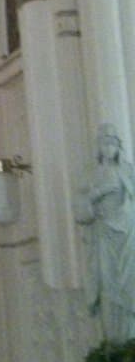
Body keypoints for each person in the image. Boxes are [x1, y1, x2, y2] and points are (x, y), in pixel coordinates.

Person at [77, 124, 135, 341]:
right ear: (98, 148)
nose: (109, 148)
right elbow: (80, 212)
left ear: (119, 147)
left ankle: (129, 341)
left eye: (113, 143)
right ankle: (113, 343)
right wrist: (97, 194)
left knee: (129, 285)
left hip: (129, 235)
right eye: (105, 143)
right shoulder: (91, 175)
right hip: (104, 235)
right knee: (108, 287)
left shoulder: (128, 171)